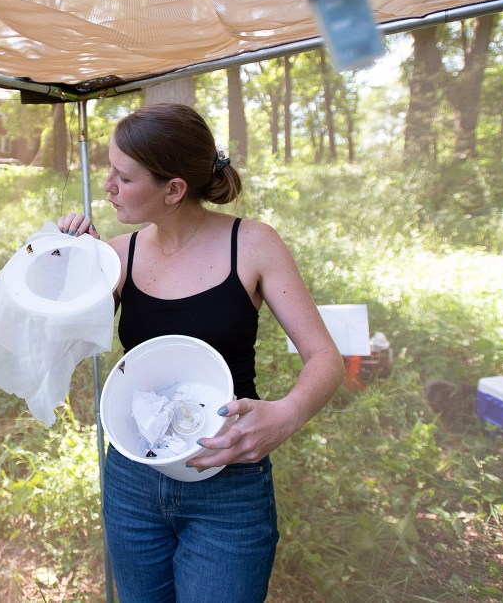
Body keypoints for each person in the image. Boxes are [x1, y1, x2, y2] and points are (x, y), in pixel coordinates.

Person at [58, 102, 344, 603]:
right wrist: (82, 266)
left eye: (123, 178)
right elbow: (68, 346)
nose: (107, 186)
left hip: (228, 482)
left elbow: (325, 357)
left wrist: (287, 414)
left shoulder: (252, 244)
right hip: (133, 478)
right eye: (109, 171)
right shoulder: (119, 255)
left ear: (173, 189)